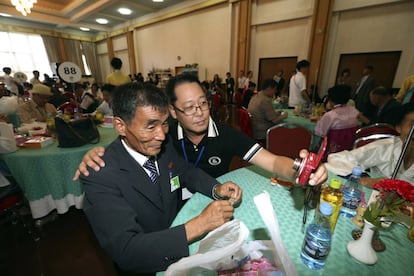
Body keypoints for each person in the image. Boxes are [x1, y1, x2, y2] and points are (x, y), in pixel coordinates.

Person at [79, 82, 242, 274]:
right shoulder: (99, 175)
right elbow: (127, 251)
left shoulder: (160, 145)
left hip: (181, 241)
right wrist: (200, 224)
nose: (161, 135)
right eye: (150, 126)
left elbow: (186, 170)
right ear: (120, 126)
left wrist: (215, 188)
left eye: (164, 123)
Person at [75, 74, 327, 186]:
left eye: (203, 104)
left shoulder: (225, 134)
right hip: (171, 204)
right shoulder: (164, 134)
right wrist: (97, 154)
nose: (199, 112)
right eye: (189, 107)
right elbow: (129, 142)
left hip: (213, 196)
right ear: (173, 112)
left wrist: (300, 170)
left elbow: (272, 163)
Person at [326, 102, 414, 187]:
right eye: (412, 124)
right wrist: (364, 179)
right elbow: (338, 158)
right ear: (399, 127)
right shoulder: (386, 147)